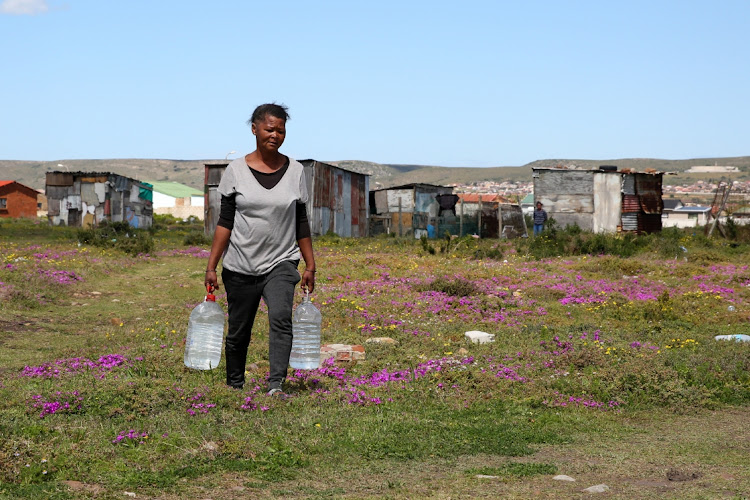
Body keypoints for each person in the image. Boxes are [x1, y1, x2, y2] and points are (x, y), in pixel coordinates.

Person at [204, 103, 316, 396]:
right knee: (239, 330)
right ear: (254, 129)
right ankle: (235, 384)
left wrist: (310, 264)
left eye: (281, 130)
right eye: (269, 129)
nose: (275, 135)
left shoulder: (295, 171)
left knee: (281, 318)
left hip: (281, 262)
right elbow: (225, 221)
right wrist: (211, 265)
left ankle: (275, 385)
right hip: (240, 264)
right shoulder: (236, 171)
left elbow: (301, 221)